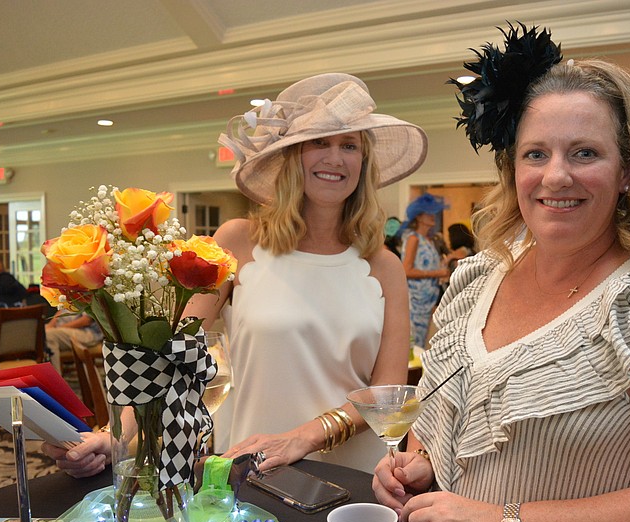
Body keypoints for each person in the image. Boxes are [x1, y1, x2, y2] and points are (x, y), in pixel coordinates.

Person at [372, 24, 630, 522]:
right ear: (513, 170)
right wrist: (425, 464)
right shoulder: (475, 281)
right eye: (536, 154)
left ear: (627, 173)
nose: (556, 176)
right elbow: (444, 423)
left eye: (585, 152)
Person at [41, 72, 428, 477]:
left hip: (351, 477)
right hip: (247, 467)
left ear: (363, 162)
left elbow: (386, 397)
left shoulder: (383, 266)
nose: (335, 158)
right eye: (319, 143)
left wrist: (304, 437)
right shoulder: (238, 242)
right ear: (291, 156)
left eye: (349, 145)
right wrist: (115, 436)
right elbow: (174, 356)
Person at [401, 193, 450, 347]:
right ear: (419, 217)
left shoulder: (429, 240)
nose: (432, 216)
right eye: (428, 213)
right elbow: (406, 270)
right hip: (415, 302)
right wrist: (437, 273)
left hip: (427, 301)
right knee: (413, 342)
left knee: (420, 341)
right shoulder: (413, 239)